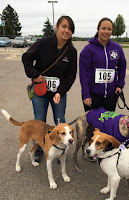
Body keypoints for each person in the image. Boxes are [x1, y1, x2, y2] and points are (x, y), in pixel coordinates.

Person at [22, 16, 77, 162]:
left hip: (59, 93)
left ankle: (60, 147)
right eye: (64, 26)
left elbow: (71, 76)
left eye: (70, 28)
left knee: (60, 122)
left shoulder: (71, 51)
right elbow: (26, 58)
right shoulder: (43, 43)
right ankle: (40, 147)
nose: (67, 30)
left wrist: (60, 92)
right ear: (57, 27)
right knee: (39, 122)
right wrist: (34, 75)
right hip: (40, 91)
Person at [79, 17, 127, 112]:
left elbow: (122, 67)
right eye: (103, 28)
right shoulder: (88, 49)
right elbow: (84, 74)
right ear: (98, 29)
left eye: (109, 29)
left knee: (108, 124)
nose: (106, 31)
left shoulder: (117, 48)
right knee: (93, 126)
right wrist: (86, 94)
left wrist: (120, 85)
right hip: (93, 96)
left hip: (111, 96)